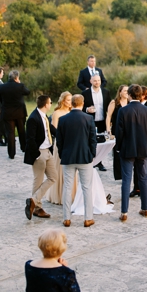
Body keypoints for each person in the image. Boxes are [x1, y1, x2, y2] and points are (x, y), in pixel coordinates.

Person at [56, 95, 97, 229]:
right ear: (82, 103)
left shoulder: (63, 119)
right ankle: (88, 218)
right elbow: (92, 140)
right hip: (85, 157)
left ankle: (66, 219)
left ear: (72, 104)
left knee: (67, 188)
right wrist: (92, 154)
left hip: (68, 157)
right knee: (86, 188)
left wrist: (63, 154)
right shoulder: (89, 118)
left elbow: (59, 141)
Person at [116, 84, 147, 221]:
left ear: (130, 95)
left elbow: (119, 133)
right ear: (141, 95)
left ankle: (124, 212)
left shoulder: (123, 110)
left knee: (126, 180)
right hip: (143, 150)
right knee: (144, 178)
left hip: (127, 149)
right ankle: (146, 208)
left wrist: (118, 147)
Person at [24, 96, 56, 221]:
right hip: (39, 153)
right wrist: (37, 155)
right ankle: (37, 208)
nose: (51, 104)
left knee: (53, 177)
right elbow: (30, 139)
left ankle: (33, 200)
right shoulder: (33, 118)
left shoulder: (45, 116)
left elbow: (52, 130)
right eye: (50, 102)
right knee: (38, 180)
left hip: (48, 151)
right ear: (46, 104)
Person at [0, 70, 31, 161]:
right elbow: (28, 92)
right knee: (21, 131)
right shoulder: (20, 86)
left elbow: (0, 98)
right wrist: (20, 83)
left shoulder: (2, 87)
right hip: (19, 112)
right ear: (16, 78)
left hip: (7, 113)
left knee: (10, 133)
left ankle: (11, 153)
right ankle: (24, 148)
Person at [84, 73, 110, 170]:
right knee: (91, 141)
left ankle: (99, 162)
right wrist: (87, 109)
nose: (97, 82)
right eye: (95, 80)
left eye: (98, 80)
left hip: (102, 120)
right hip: (90, 121)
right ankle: (91, 161)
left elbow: (109, 106)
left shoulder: (105, 92)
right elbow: (81, 107)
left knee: (101, 141)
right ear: (91, 81)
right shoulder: (85, 93)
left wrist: (109, 120)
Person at [106, 85, 130, 183]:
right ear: (120, 92)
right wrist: (108, 131)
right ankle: (119, 175)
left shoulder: (130, 103)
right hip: (117, 131)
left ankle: (127, 173)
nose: (126, 92)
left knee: (127, 153)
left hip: (128, 131)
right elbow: (108, 117)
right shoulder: (114, 103)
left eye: (128, 91)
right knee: (117, 154)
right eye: (124, 91)